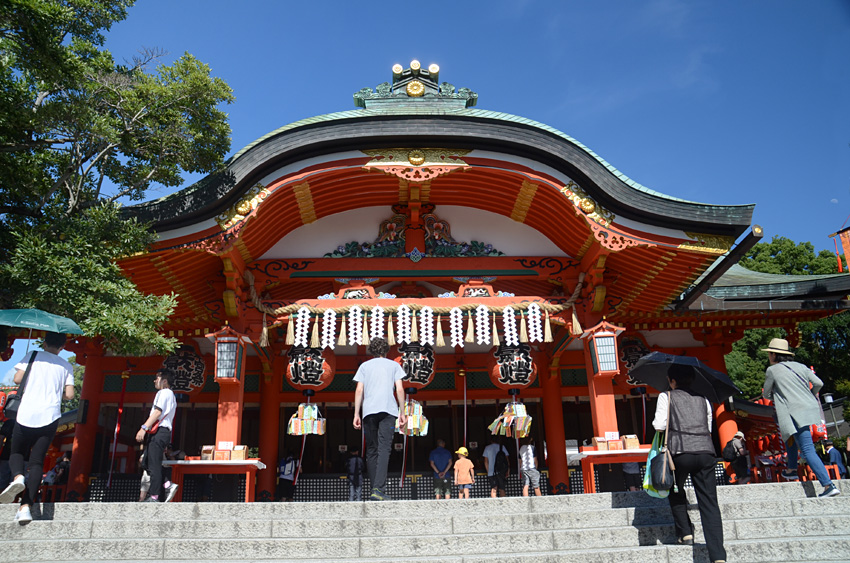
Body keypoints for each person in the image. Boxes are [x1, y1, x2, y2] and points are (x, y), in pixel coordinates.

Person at [652, 364, 726, 563]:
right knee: (709, 502)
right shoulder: (704, 399)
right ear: (692, 380)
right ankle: (718, 555)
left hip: (679, 452)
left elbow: (659, 425)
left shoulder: (666, 396)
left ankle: (685, 532)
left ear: (671, 380)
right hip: (705, 451)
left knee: (675, 489)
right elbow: (708, 425)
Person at [0, 332, 74, 524]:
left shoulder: (32, 356)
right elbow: (69, 394)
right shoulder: (66, 365)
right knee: (36, 463)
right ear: (62, 347)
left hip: (26, 413)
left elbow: (17, 379)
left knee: (16, 453)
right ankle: (25, 507)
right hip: (49, 416)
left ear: (44, 342)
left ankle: (17, 477)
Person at [762, 338, 840, 498]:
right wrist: (808, 396)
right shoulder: (801, 367)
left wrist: (778, 393)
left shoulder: (773, 370)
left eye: (770, 353)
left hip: (792, 413)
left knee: (807, 449)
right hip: (807, 409)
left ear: (774, 355)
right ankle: (791, 469)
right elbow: (818, 383)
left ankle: (828, 485)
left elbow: (766, 394)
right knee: (790, 437)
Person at [352, 337, 407, 501]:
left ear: (372, 351)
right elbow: (400, 389)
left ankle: (374, 490)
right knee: (384, 449)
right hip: (388, 411)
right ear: (386, 350)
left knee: (371, 450)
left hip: (369, 411)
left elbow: (359, 390)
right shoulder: (394, 365)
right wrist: (402, 412)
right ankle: (378, 489)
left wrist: (356, 413)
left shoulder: (364, 366)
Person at [134, 368, 178, 503]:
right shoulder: (170, 395)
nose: (155, 380)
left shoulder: (164, 392)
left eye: (157, 378)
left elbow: (157, 412)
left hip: (160, 431)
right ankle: (167, 485)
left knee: (153, 464)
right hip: (162, 432)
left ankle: (154, 496)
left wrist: (143, 428)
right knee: (147, 461)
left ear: (165, 381)